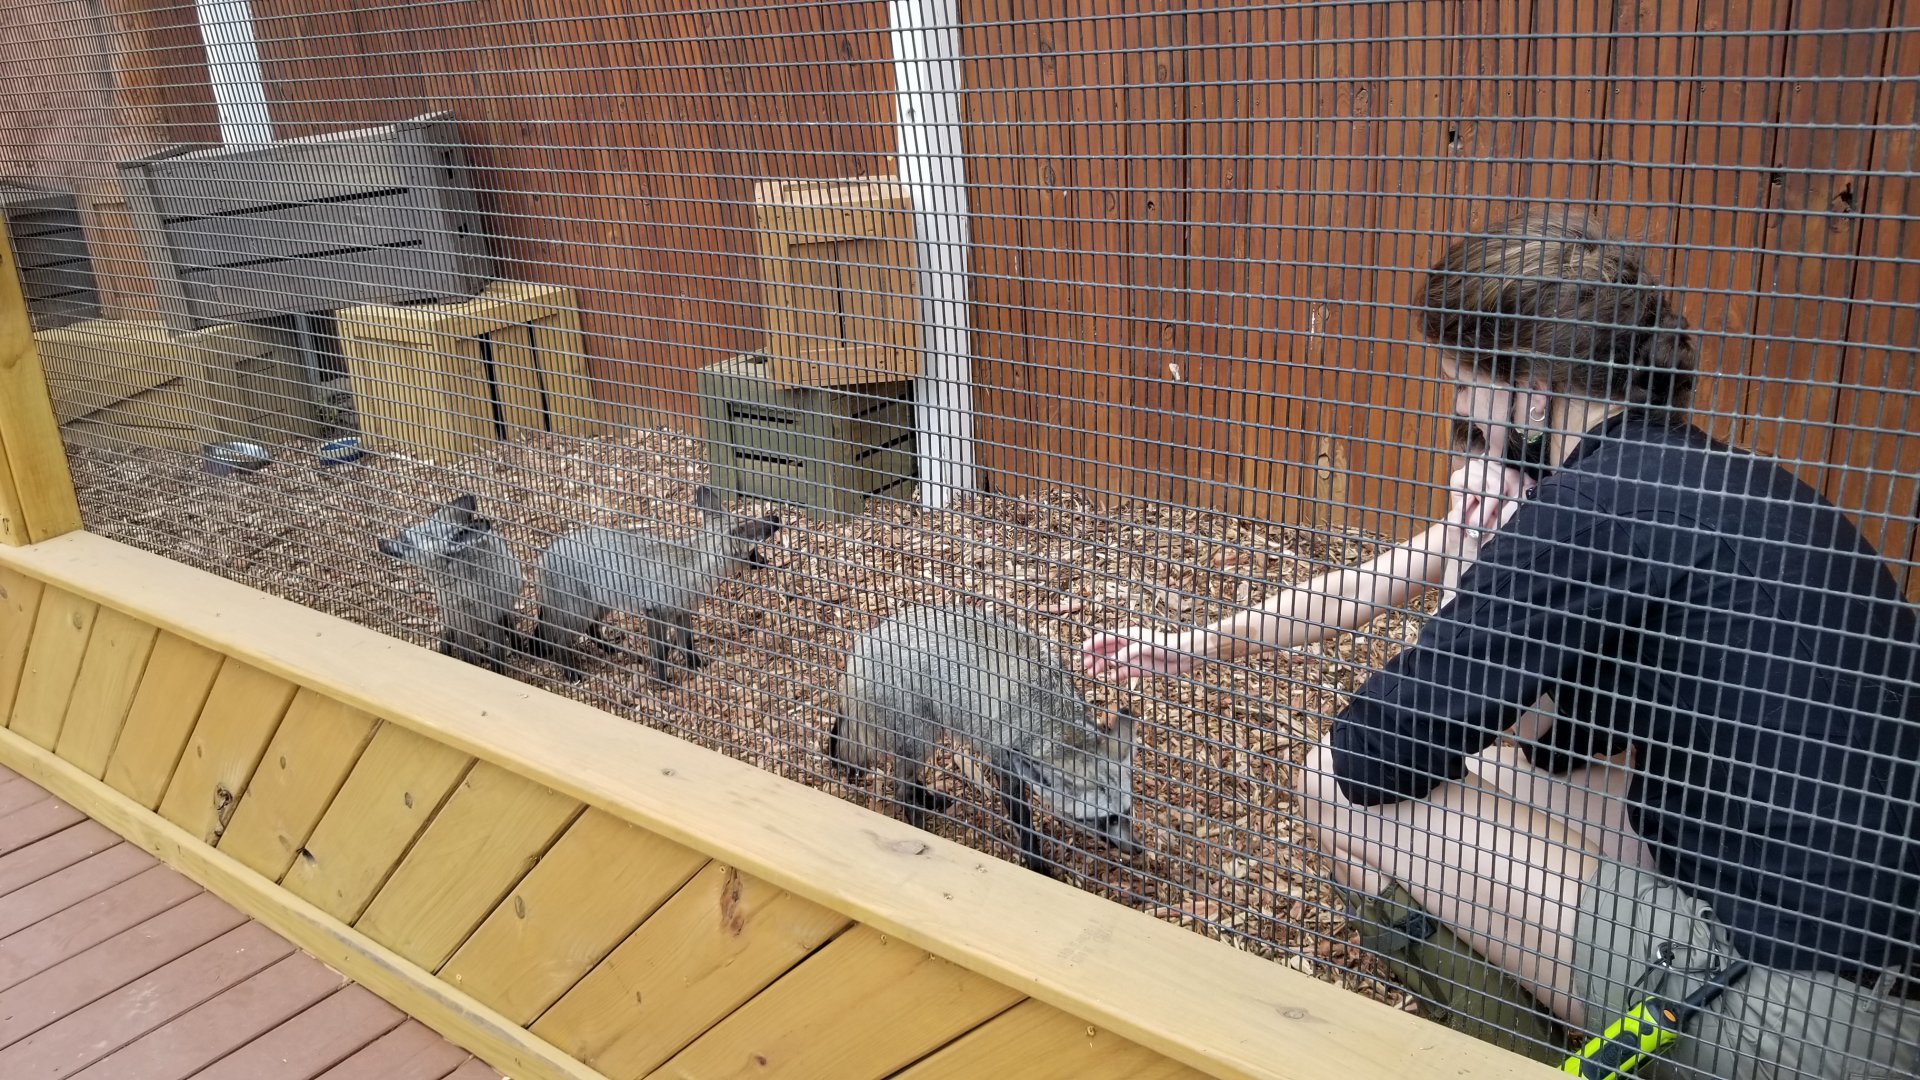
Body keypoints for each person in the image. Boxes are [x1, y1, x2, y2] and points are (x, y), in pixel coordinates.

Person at [1092, 211, 1920, 1079]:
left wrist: (1472, 579)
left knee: (1331, 786)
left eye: (1462, 381)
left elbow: (1376, 755)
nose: (1455, 407)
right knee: (1497, 774)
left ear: (1529, 392)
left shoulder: (1588, 510)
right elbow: (1568, 747)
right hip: (1876, 953)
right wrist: (1204, 641)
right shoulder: (1736, 477)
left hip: (1811, 1022)